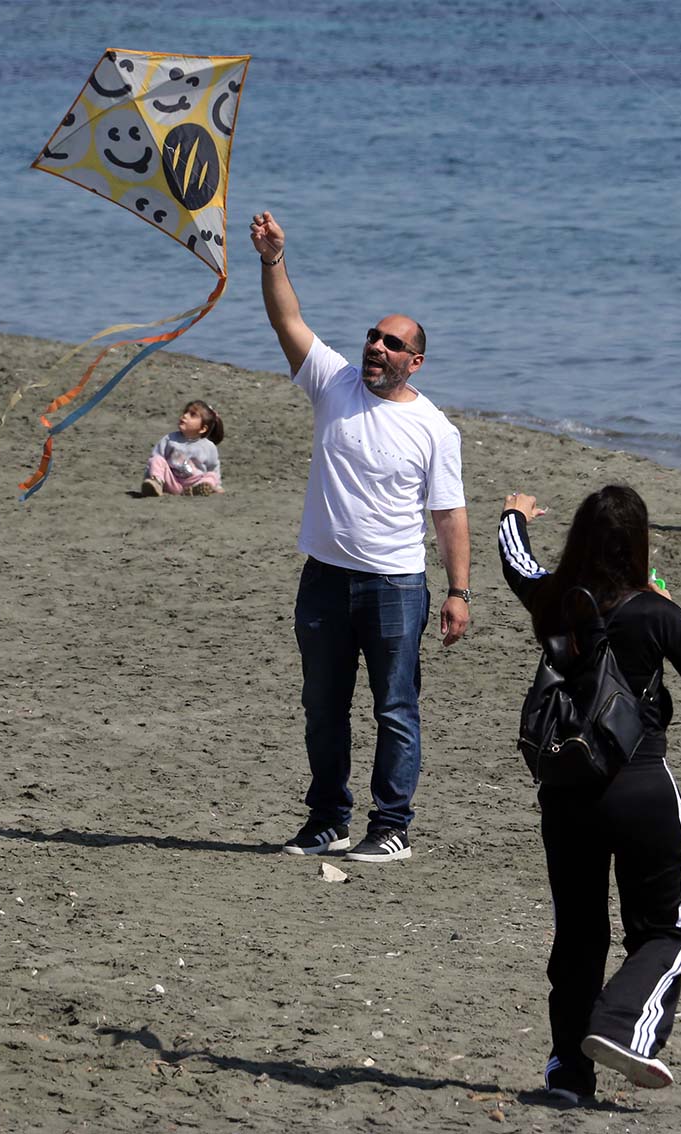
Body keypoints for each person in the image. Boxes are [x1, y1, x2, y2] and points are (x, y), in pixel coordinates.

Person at [499, 485, 681, 1104]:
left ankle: (568, 1074)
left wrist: (513, 516)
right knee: (665, 932)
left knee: (578, 935)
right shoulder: (656, 613)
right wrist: (669, 604)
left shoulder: (554, 600)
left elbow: (516, 561)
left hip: (567, 790)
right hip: (640, 789)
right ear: (638, 546)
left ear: (578, 539)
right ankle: (622, 1027)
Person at [250, 209, 470, 863]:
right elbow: (288, 320)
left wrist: (458, 591)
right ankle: (327, 821)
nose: (376, 346)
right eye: (373, 336)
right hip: (322, 578)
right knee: (323, 707)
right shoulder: (334, 383)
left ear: (415, 361)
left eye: (392, 343)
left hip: (396, 585)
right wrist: (272, 258)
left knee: (395, 709)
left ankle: (391, 826)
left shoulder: (435, 429)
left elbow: (449, 514)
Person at [141, 400, 224, 497]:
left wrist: (217, 485)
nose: (185, 416)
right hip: (172, 482)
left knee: (211, 476)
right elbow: (154, 461)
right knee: (157, 459)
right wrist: (149, 478)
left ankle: (199, 490)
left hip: (194, 483)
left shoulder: (209, 447)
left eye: (192, 415)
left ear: (203, 429)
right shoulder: (169, 439)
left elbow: (213, 468)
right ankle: (156, 484)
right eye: (185, 412)